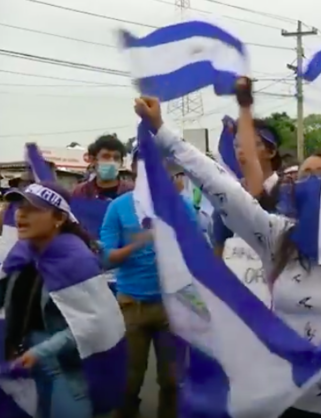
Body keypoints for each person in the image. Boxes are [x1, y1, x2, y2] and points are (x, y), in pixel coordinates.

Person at [135, 79, 321, 418]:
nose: (311, 182)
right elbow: (220, 186)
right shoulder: (277, 236)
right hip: (286, 401)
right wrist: (163, 130)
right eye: (304, 176)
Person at [0, 181, 124, 418]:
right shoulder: (21, 254)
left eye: (33, 209)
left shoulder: (77, 260)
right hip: (21, 360)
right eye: (19, 206)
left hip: (65, 368)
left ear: (58, 218)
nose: (21, 214)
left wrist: (41, 351)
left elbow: (94, 324)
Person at [100, 150, 197, 418]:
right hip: (131, 305)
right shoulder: (118, 207)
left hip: (173, 306)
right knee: (128, 381)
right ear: (132, 169)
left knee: (171, 380)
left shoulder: (180, 205)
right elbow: (107, 259)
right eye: (142, 165)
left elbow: (197, 251)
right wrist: (139, 241)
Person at [210, 111, 283, 257]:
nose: (241, 150)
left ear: (271, 151)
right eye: (237, 145)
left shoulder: (289, 192)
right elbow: (219, 248)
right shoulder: (229, 196)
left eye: (249, 143)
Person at [73, 134, 133, 200]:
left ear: (121, 162)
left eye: (116, 157)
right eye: (106, 156)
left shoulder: (132, 193)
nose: (111, 161)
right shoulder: (80, 192)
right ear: (93, 160)